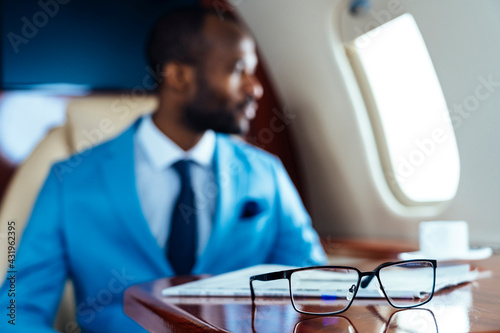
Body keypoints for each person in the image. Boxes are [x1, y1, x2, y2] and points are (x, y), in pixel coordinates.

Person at [0, 6, 327, 332]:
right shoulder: (68, 181)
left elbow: (315, 289)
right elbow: (15, 311)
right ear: (179, 76)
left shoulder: (267, 173)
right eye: (237, 70)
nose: (255, 88)